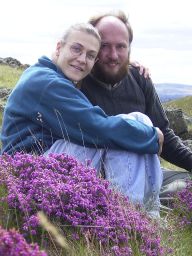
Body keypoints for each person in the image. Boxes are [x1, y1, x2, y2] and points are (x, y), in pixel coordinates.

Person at [0, 22, 163, 216]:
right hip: (27, 176)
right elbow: (96, 128)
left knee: (136, 120)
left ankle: (142, 214)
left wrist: (129, 64)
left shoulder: (45, 74)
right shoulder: (47, 83)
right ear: (59, 47)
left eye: (91, 55)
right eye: (76, 49)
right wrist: (152, 136)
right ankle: (132, 215)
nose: (82, 59)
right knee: (125, 130)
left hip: (36, 169)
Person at [78, 10, 192, 204]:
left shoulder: (140, 79)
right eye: (104, 46)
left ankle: (146, 207)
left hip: (149, 173)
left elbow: (164, 136)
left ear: (129, 48)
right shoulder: (77, 82)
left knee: (186, 187)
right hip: (97, 179)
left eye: (121, 46)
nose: (113, 55)